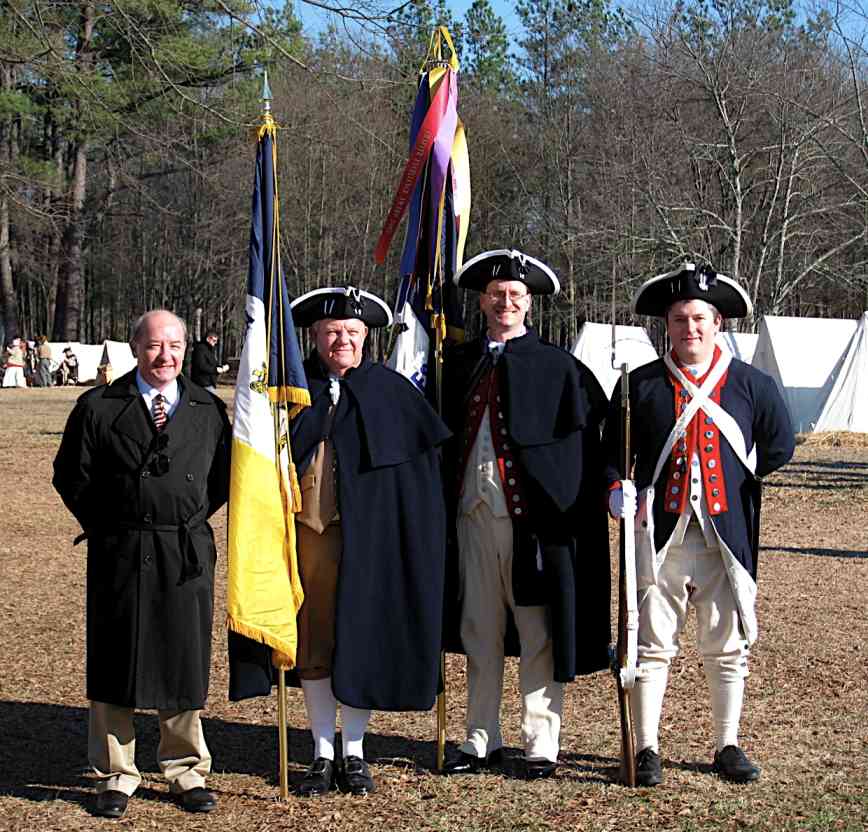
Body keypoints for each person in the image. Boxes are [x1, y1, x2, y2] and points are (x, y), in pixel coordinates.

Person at [229, 286, 450, 798]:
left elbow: (418, 485)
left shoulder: (392, 393)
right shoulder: (287, 392)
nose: (341, 339)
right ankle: (320, 751)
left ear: (366, 336)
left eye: (352, 332)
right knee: (314, 647)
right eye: (332, 331)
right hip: (308, 541)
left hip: (369, 544)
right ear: (313, 335)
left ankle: (354, 750)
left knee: (361, 642)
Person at [604, 263, 795, 787]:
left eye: (700, 319)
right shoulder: (638, 384)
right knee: (650, 643)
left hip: (724, 537)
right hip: (659, 533)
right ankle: (647, 748)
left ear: (718, 325)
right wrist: (618, 486)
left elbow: (781, 443)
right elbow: (611, 454)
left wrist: (740, 483)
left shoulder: (751, 384)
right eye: (681, 319)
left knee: (727, 644)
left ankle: (727, 743)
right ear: (668, 324)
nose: (690, 329)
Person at [440, 249, 612, 780]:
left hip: (533, 524)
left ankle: (540, 742)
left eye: (515, 294)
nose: (505, 301)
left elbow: (591, 443)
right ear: (483, 301)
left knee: (537, 631)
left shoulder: (561, 368)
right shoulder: (460, 365)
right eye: (496, 294)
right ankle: (479, 736)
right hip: (470, 515)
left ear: (529, 303)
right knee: (478, 627)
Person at [53, 309, 231, 818]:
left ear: (185, 348)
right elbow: (71, 474)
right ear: (135, 348)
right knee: (115, 658)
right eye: (154, 346)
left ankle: (185, 769)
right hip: (121, 552)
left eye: (174, 345)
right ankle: (116, 773)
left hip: (184, 553)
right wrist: (112, 524)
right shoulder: (98, 406)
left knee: (183, 657)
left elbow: (221, 479)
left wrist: (184, 518)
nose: (165, 356)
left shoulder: (207, 409)